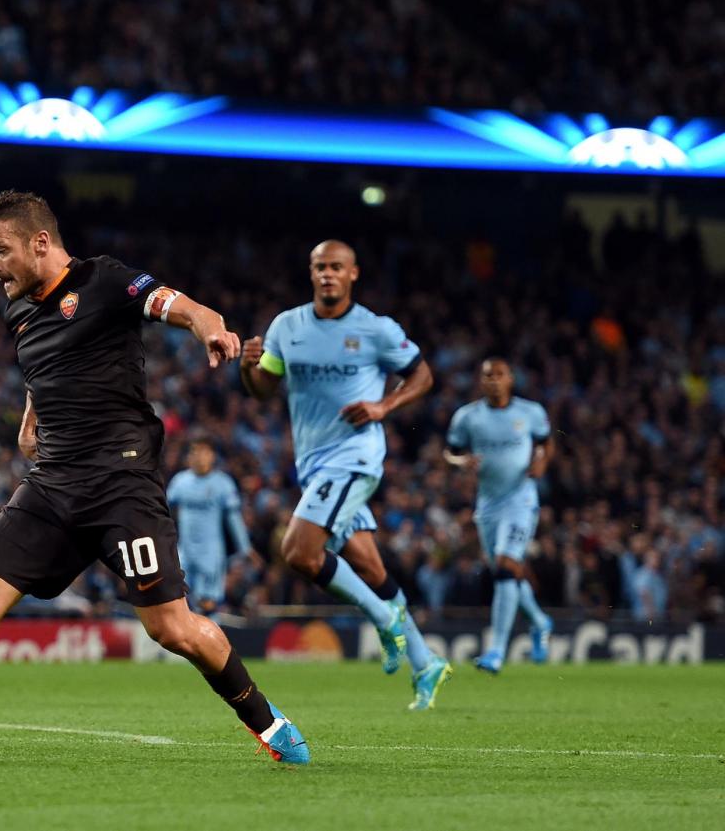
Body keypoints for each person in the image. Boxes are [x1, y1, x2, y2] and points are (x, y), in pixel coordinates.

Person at [0, 190, 309, 766]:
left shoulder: (104, 281)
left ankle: (270, 724)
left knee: (172, 628)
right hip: (53, 482)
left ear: (40, 242)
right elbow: (41, 372)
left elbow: (174, 302)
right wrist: (30, 420)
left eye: (0, 250)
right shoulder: (20, 311)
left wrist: (208, 325)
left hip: (121, 484)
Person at [239, 240, 451, 710]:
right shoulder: (287, 326)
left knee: (298, 551)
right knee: (371, 567)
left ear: (353, 273)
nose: (327, 274)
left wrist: (385, 405)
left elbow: (422, 376)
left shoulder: (375, 329)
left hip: (354, 457)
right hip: (313, 464)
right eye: (320, 267)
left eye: (336, 267)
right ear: (311, 272)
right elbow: (262, 389)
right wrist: (249, 367)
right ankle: (425, 661)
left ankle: (383, 618)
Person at [444, 357, 555, 673]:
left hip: (521, 500)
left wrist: (542, 462)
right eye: (488, 375)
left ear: (511, 379)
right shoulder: (467, 417)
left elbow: (546, 444)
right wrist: (461, 462)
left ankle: (496, 652)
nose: (494, 380)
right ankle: (539, 621)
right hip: (488, 505)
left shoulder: (530, 413)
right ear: (481, 381)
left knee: (506, 568)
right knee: (507, 574)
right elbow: (450, 451)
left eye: (500, 374)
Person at [167, 438, 259, 614]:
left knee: (207, 606)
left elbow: (233, 518)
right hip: (184, 552)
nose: (198, 456)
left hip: (210, 554)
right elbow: (163, 512)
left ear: (212, 456)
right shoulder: (180, 482)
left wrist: (245, 548)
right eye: (194, 451)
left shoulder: (223, 483)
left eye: (203, 452)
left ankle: (211, 629)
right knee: (180, 603)